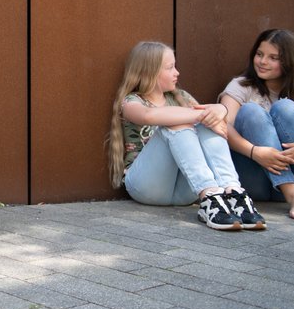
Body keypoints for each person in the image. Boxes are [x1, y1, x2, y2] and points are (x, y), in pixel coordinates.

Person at [107, 41, 266, 230]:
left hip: (187, 190)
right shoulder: (131, 101)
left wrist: (221, 110)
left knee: (208, 125)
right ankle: (209, 197)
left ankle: (232, 192)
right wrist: (202, 114)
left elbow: (218, 125)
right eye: (170, 67)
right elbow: (149, 116)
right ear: (149, 72)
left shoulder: (181, 96)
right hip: (145, 186)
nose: (177, 72)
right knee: (177, 121)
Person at [219, 29, 294, 221]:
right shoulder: (241, 86)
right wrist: (255, 152)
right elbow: (224, 128)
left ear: (291, 63)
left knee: (287, 108)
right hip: (251, 177)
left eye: (273, 57)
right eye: (259, 54)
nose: (263, 61)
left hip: (290, 178)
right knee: (251, 111)